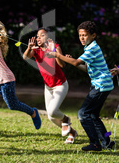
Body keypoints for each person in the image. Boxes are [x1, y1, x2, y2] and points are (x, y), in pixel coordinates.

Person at [47, 21, 115, 151]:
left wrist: (57, 55)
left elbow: (77, 62)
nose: (82, 38)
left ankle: (95, 144)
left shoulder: (93, 47)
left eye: (85, 35)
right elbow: (84, 67)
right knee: (93, 115)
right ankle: (107, 142)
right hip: (103, 84)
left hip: (101, 85)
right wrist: (72, 61)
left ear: (93, 35)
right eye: (80, 35)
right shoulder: (90, 47)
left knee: (83, 114)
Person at [22, 28, 78, 144]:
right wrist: (29, 48)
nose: (38, 38)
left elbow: (62, 64)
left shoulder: (55, 46)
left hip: (60, 85)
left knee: (52, 111)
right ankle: (72, 132)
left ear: (49, 38)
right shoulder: (36, 50)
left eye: (42, 35)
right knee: (51, 117)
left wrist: (55, 53)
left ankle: (66, 119)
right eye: (37, 36)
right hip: (48, 87)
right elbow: (25, 57)